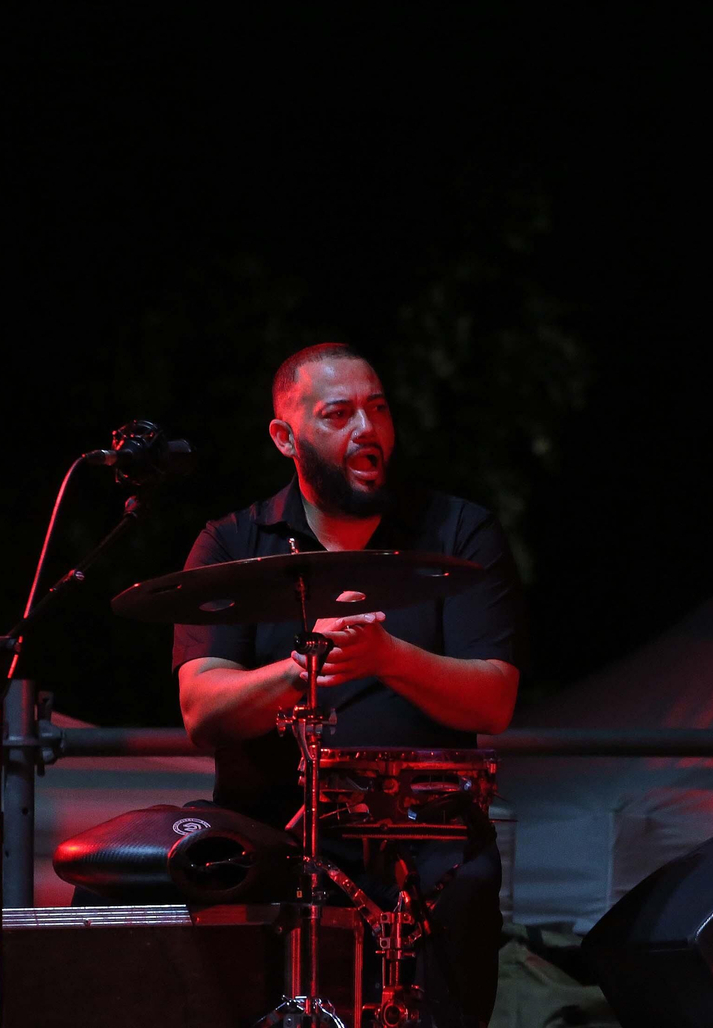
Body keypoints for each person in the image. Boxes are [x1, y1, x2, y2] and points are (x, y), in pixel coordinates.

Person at [174, 342, 523, 1027]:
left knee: (468, 883)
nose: (367, 429)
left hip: (423, 832)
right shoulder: (234, 542)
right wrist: (299, 669)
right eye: (339, 413)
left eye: (378, 409)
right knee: (180, 874)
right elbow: (201, 709)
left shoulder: (457, 532)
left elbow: (495, 697)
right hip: (277, 829)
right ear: (286, 436)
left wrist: (388, 656)